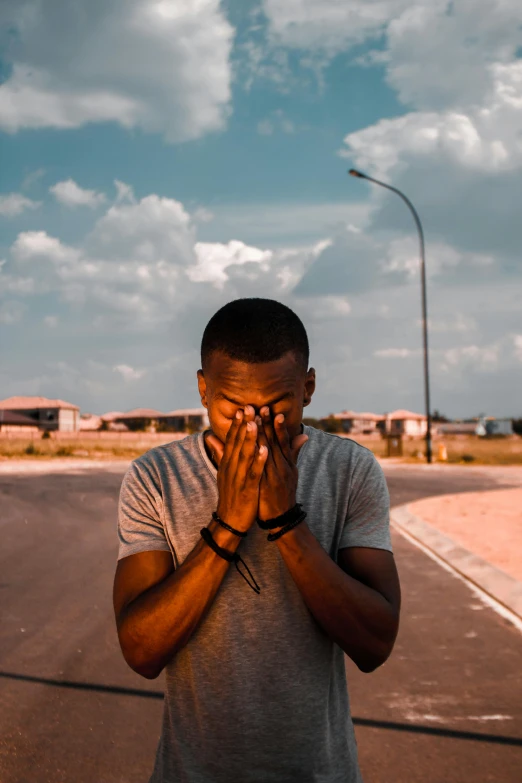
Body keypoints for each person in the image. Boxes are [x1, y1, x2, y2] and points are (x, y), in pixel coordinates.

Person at [113, 297, 401, 783]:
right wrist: (227, 525)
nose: (255, 425)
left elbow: (375, 643)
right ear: (204, 391)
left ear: (307, 389)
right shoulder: (154, 478)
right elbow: (141, 652)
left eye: (275, 408)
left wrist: (286, 521)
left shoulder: (350, 471)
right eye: (233, 408)